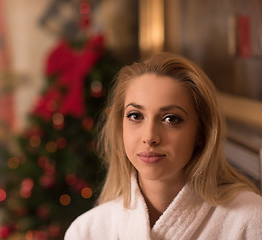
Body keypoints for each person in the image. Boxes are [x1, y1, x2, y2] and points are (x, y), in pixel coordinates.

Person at [64, 52, 262, 239]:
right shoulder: (86, 231)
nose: (149, 137)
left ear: (201, 132)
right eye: (135, 116)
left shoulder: (250, 219)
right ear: (120, 126)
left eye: (171, 119)